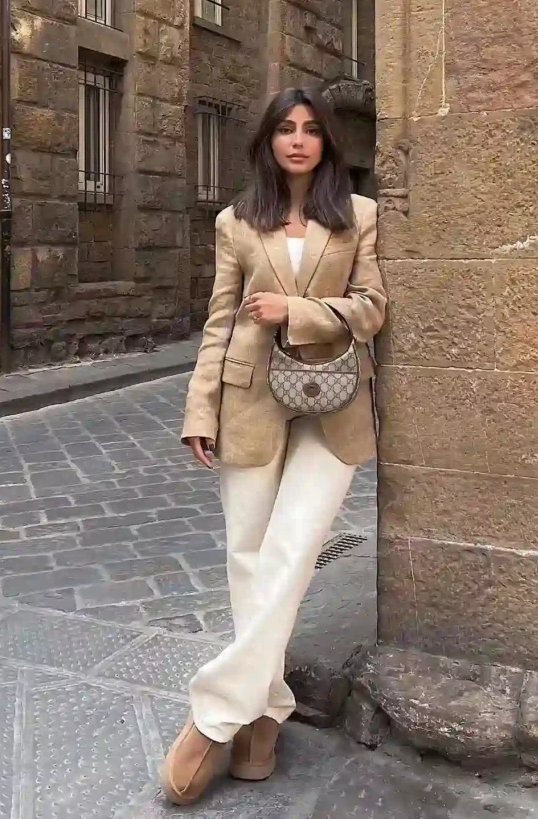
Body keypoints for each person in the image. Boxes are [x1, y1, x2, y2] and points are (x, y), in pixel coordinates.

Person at [160, 86, 387, 806]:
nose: (297, 140)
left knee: (291, 553)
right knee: (248, 560)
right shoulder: (235, 222)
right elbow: (220, 320)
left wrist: (301, 310)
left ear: (326, 143)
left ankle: (216, 715)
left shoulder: (359, 217)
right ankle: (263, 721)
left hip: (335, 405)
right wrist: (201, 409)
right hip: (250, 400)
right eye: (285, 129)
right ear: (267, 141)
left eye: (310, 130)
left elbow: (374, 309)